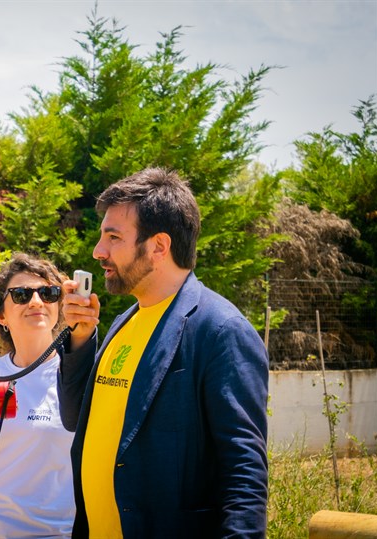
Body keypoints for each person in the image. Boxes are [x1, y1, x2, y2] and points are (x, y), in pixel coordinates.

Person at [59, 168, 269, 538]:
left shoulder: (220, 330)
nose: (98, 251)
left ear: (158, 247)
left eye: (113, 237)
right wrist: (80, 339)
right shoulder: (124, 322)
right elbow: (76, 417)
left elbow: (243, 471)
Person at [0, 252, 75, 538]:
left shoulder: (79, 375)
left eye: (48, 293)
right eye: (21, 294)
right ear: (2, 316)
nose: (36, 301)